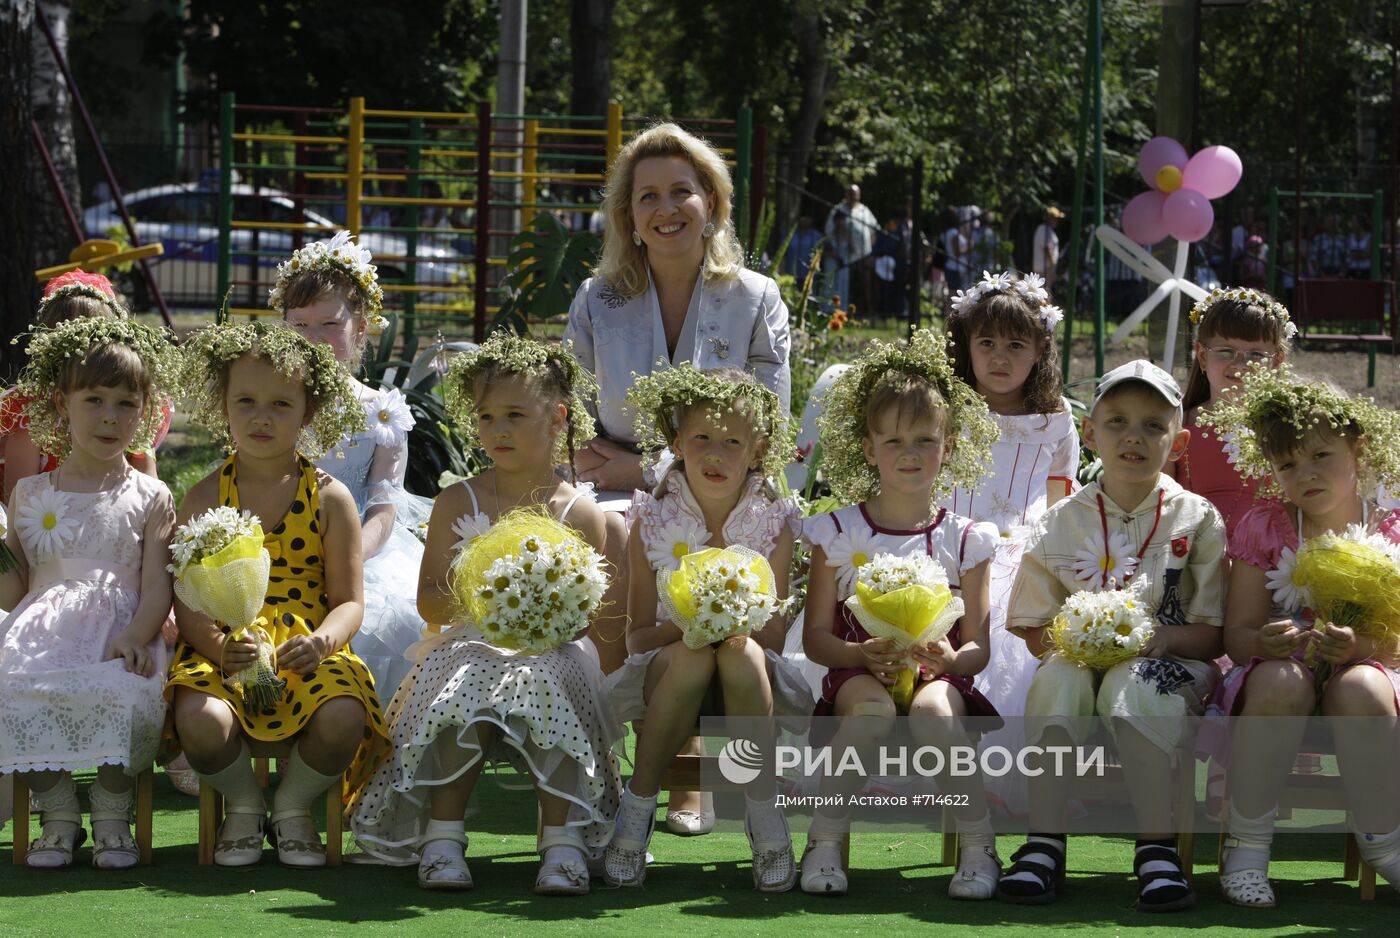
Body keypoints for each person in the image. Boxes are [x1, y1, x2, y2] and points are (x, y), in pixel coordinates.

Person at [563, 122, 791, 828]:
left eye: (682, 192)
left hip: (729, 478)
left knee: (713, 539)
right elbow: (569, 427)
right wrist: (631, 474)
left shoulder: (756, 296)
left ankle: (690, 772)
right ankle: (601, 755)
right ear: (627, 215)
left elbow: (770, 424)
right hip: (614, 488)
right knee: (605, 527)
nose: (666, 209)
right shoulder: (596, 300)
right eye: (647, 196)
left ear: (713, 203)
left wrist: (646, 464)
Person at [350, 333, 622, 894]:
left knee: (543, 676)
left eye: (515, 415)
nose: (496, 429)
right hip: (468, 642)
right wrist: (490, 596)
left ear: (557, 418)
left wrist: (542, 606)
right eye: (486, 416)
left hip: (554, 649)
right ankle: (444, 838)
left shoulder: (580, 511)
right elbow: (429, 599)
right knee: (466, 678)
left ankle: (562, 842)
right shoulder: (459, 501)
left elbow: (590, 617)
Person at [997, 361, 1226, 911]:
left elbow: (1212, 635)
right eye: (1118, 421)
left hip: (1171, 666)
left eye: (1153, 425)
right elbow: (1034, 629)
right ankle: (1044, 844)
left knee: (1134, 680)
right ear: (1092, 433)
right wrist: (1075, 643)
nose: (1134, 437)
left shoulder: (1198, 519)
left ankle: (1156, 849)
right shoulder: (1061, 519)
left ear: (1179, 442)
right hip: (1076, 665)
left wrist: (1166, 641)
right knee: (1059, 677)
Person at [165, 321, 388, 869]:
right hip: (225, 646)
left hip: (307, 648)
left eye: (281, 404)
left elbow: (350, 601)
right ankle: (242, 803)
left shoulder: (332, 499)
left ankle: (292, 806)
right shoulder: (202, 495)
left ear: (307, 414)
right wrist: (217, 649)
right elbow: (186, 600)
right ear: (224, 406)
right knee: (200, 719)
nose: (261, 417)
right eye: (246, 401)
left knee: (342, 716)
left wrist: (323, 643)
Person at [799, 329, 1001, 898]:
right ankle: (824, 840)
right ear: (868, 449)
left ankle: (980, 846)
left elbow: (979, 645)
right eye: (891, 441)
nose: (908, 454)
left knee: (935, 712)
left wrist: (952, 658)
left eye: (924, 439)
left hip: (940, 678)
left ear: (950, 444)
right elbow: (816, 638)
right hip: (858, 673)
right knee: (870, 713)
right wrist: (858, 653)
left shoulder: (966, 539)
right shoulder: (838, 532)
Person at [1196, 367, 1400, 907]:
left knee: (1363, 689)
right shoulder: (1264, 525)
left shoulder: (1390, 527)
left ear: (1358, 447)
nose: (1304, 474)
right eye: (1287, 464)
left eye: (1320, 456)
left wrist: (1360, 648)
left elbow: (1397, 642)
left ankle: (1384, 840)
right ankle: (1247, 843)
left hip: (1370, 668)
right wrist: (1263, 643)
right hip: (1281, 673)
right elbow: (1235, 636)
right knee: (1280, 682)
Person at [602, 365, 807, 891]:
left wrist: (732, 619)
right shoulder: (650, 519)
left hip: (747, 674)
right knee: (696, 654)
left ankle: (763, 816)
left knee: (738, 651)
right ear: (676, 441)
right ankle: (637, 809)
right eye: (701, 438)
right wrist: (693, 623)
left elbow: (776, 637)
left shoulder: (774, 524)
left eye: (733, 441)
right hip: (668, 673)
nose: (715, 454)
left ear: (757, 451)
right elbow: (638, 639)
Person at [0, 317, 178, 870]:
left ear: (144, 411)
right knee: (12, 688)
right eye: (94, 399)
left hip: (122, 626)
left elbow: (157, 587)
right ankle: (57, 812)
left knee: (123, 690)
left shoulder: (150, 495)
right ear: (62, 402)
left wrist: (136, 635)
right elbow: (14, 590)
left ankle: (110, 808)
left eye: (126, 403)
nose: (109, 416)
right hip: (41, 627)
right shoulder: (30, 491)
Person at [942, 271, 1079, 814]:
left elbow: (1061, 494)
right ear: (967, 346)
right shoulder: (946, 406)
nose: (1000, 357)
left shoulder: (1055, 419)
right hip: (946, 536)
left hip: (1019, 545)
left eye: (1016, 345)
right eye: (987, 343)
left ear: (1041, 347)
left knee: (1009, 622)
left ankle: (1000, 779)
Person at [278, 230, 431, 702]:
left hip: (364, 551)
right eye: (299, 325)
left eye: (329, 324)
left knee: (396, 623)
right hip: (279, 543)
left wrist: (345, 560)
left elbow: (386, 506)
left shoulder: (381, 411)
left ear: (360, 329)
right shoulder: (267, 404)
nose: (313, 339)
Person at [2, 270, 171, 501]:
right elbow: (18, 499)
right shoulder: (32, 411)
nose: (78, 359)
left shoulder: (124, 406)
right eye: (65, 345)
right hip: (47, 523)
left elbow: (150, 491)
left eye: (88, 345)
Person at [1172, 287, 1293, 541]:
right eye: (1225, 352)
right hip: (1193, 557)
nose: (1239, 364)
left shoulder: (1289, 427)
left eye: (1256, 354)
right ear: (1203, 356)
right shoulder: (1177, 423)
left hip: (1271, 559)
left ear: (1277, 361)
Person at [825, 185, 878, 317]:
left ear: (859, 195)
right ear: (846, 195)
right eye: (851, 194)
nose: (853, 197)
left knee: (865, 285)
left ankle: (867, 311)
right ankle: (840, 311)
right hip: (844, 256)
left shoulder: (865, 211)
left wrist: (871, 251)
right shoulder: (838, 209)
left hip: (864, 254)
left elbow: (874, 231)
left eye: (855, 194)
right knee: (844, 284)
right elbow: (829, 231)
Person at [1032, 206, 1063, 285]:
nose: (1057, 220)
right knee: (1045, 293)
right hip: (1044, 269)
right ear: (1049, 218)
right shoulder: (1044, 230)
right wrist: (1053, 265)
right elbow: (1047, 248)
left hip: (1046, 268)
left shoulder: (1047, 230)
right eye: (1055, 218)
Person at [1309, 213, 1346, 277]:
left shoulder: (1342, 240)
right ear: (1325, 224)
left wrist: (1341, 273)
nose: (1331, 224)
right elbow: (1313, 258)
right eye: (1329, 222)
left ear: (1338, 225)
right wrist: (1321, 274)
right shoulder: (1318, 239)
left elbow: (1347, 259)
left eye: (1334, 222)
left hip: (1338, 273)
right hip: (1321, 273)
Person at [1346, 214, 1372, 279]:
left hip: (1366, 269)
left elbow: (1366, 254)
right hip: (1351, 268)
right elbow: (1348, 254)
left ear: (1361, 223)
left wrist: (1354, 253)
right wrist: (1361, 254)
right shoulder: (1350, 237)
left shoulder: (1369, 237)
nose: (1352, 223)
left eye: (1354, 221)